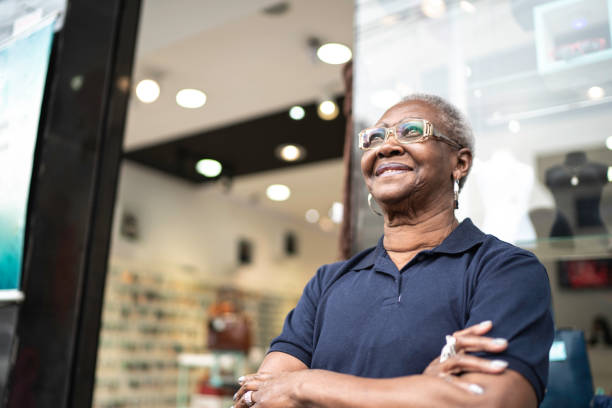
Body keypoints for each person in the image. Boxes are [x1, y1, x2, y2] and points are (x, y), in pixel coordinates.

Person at [233, 94, 554, 407]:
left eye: (412, 131)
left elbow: (494, 399)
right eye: (374, 138)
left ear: (460, 162)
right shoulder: (327, 281)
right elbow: (262, 399)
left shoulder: (504, 271)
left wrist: (305, 384)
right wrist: (425, 390)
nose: (386, 147)